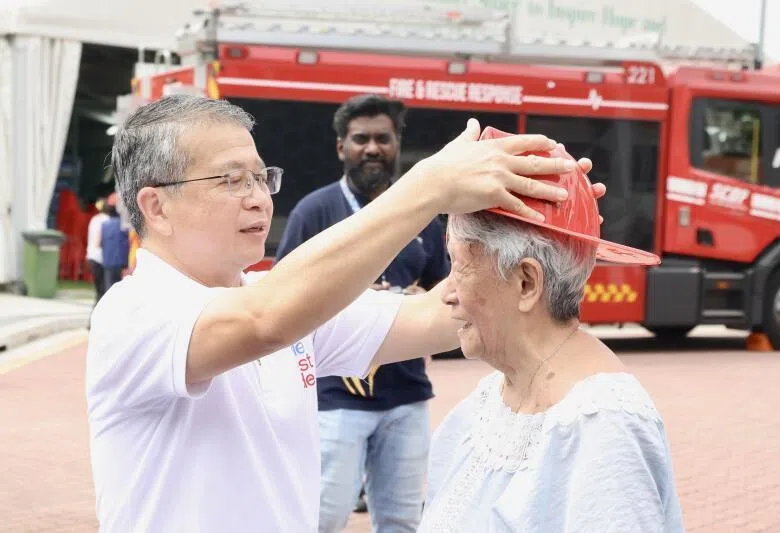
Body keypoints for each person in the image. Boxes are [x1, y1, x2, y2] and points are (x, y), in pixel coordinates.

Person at [85, 94, 603, 532]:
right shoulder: (132, 315)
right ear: (155, 206)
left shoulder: (281, 299)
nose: (258, 198)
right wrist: (428, 187)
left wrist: (550, 239)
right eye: (230, 180)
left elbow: (441, 314)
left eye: (261, 177)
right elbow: (264, 322)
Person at [416, 133, 684, 533]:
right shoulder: (492, 399)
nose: (447, 294)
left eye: (459, 265)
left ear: (526, 283)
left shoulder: (603, 427)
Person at [275, 94, 449, 533]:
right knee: (320, 519)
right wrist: (349, 295)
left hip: (406, 396)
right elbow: (279, 295)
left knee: (401, 522)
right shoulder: (314, 212)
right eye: (360, 139)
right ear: (341, 148)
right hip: (335, 397)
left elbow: (446, 291)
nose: (372, 148)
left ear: (396, 145)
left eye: (383, 139)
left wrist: (416, 299)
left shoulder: (422, 218)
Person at [99, 192, 130, 291]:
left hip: (108, 262)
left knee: (109, 290)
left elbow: (101, 244)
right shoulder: (125, 225)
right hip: (123, 263)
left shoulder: (104, 225)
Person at [85, 197, 110, 303]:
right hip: (101, 258)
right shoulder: (107, 221)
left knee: (98, 290)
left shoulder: (94, 219)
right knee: (104, 290)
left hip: (91, 255)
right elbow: (99, 240)